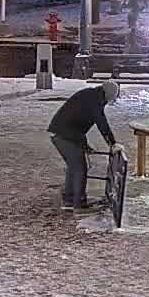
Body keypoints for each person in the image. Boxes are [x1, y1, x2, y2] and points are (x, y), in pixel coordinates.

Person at [47, 80, 119, 209]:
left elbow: (77, 122)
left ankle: (70, 199)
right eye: (111, 99)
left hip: (60, 133)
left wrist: (85, 147)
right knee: (80, 169)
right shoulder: (95, 101)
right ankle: (78, 202)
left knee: (73, 167)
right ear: (108, 95)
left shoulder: (91, 95)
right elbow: (101, 122)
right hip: (65, 136)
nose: (109, 102)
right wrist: (112, 143)